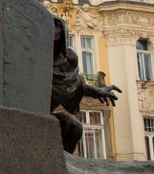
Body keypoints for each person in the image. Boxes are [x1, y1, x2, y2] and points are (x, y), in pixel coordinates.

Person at [50, 17, 121, 152]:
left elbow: (73, 84)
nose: (55, 32)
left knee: (74, 128)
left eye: (58, 29)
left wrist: (98, 92)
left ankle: (65, 166)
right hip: (27, 111)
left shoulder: (68, 59)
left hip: (44, 114)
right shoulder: (34, 54)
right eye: (52, 28)